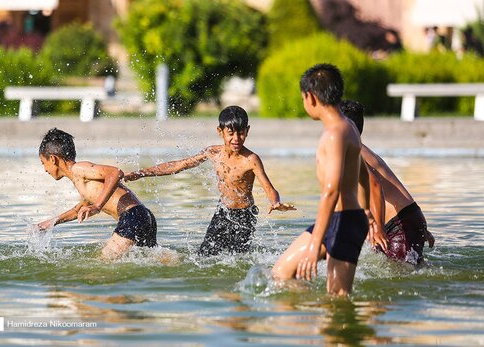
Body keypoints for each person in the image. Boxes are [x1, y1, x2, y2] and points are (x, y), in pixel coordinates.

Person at [124, 105, 295, 256]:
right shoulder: (213, 153)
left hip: (245, 216)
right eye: (230, 133)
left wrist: (276, 202)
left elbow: (269, 188)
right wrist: (142, 173)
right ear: (220, 132)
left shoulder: (251, 159)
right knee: (204, 256)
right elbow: (179, 165)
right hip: (222, 212)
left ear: (247, 131)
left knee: (237, 259)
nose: (236, 139)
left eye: (241, 133)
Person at [272, 64, 372, 296]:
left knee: (337, 298)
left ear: (311, 97)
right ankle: (310, 324)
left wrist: (315, 244)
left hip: (343, 222)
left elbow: (331, 190)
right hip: (340, 220)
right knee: (281, 273)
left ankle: (350, 327)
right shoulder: (348, 126)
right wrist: (366, 212)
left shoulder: (335, 134)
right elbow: (364, 175)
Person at [339, 99, 435, 264]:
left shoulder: (351, 150)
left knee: (401, 280)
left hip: (398, 224)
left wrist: (379, 227)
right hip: (406, 218)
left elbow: (375, 186)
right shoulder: (361, 148)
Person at [37, 128, 157, 260]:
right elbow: (79, 209)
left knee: (103, 264)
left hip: (133, 217)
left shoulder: (78, 169)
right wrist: (51, 222)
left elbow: (115, 173)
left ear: (53, 159)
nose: (44, 169)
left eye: (43, 163)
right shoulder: (81, 180)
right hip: (143, 216)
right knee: (155, 259)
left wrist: (97, 206)